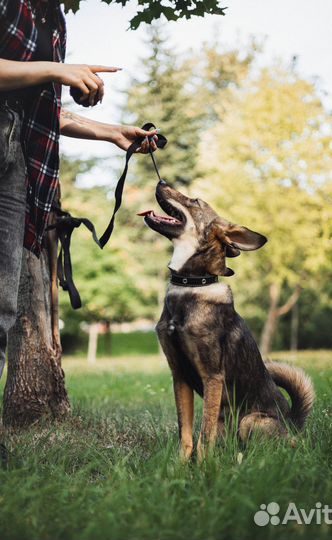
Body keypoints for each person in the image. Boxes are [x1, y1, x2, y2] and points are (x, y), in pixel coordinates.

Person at [0, 0, 158, 377]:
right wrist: (58, 70)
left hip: (16, 158)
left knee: (1, 304)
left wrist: (110, 132)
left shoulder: (52, 18)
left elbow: (39, 109)